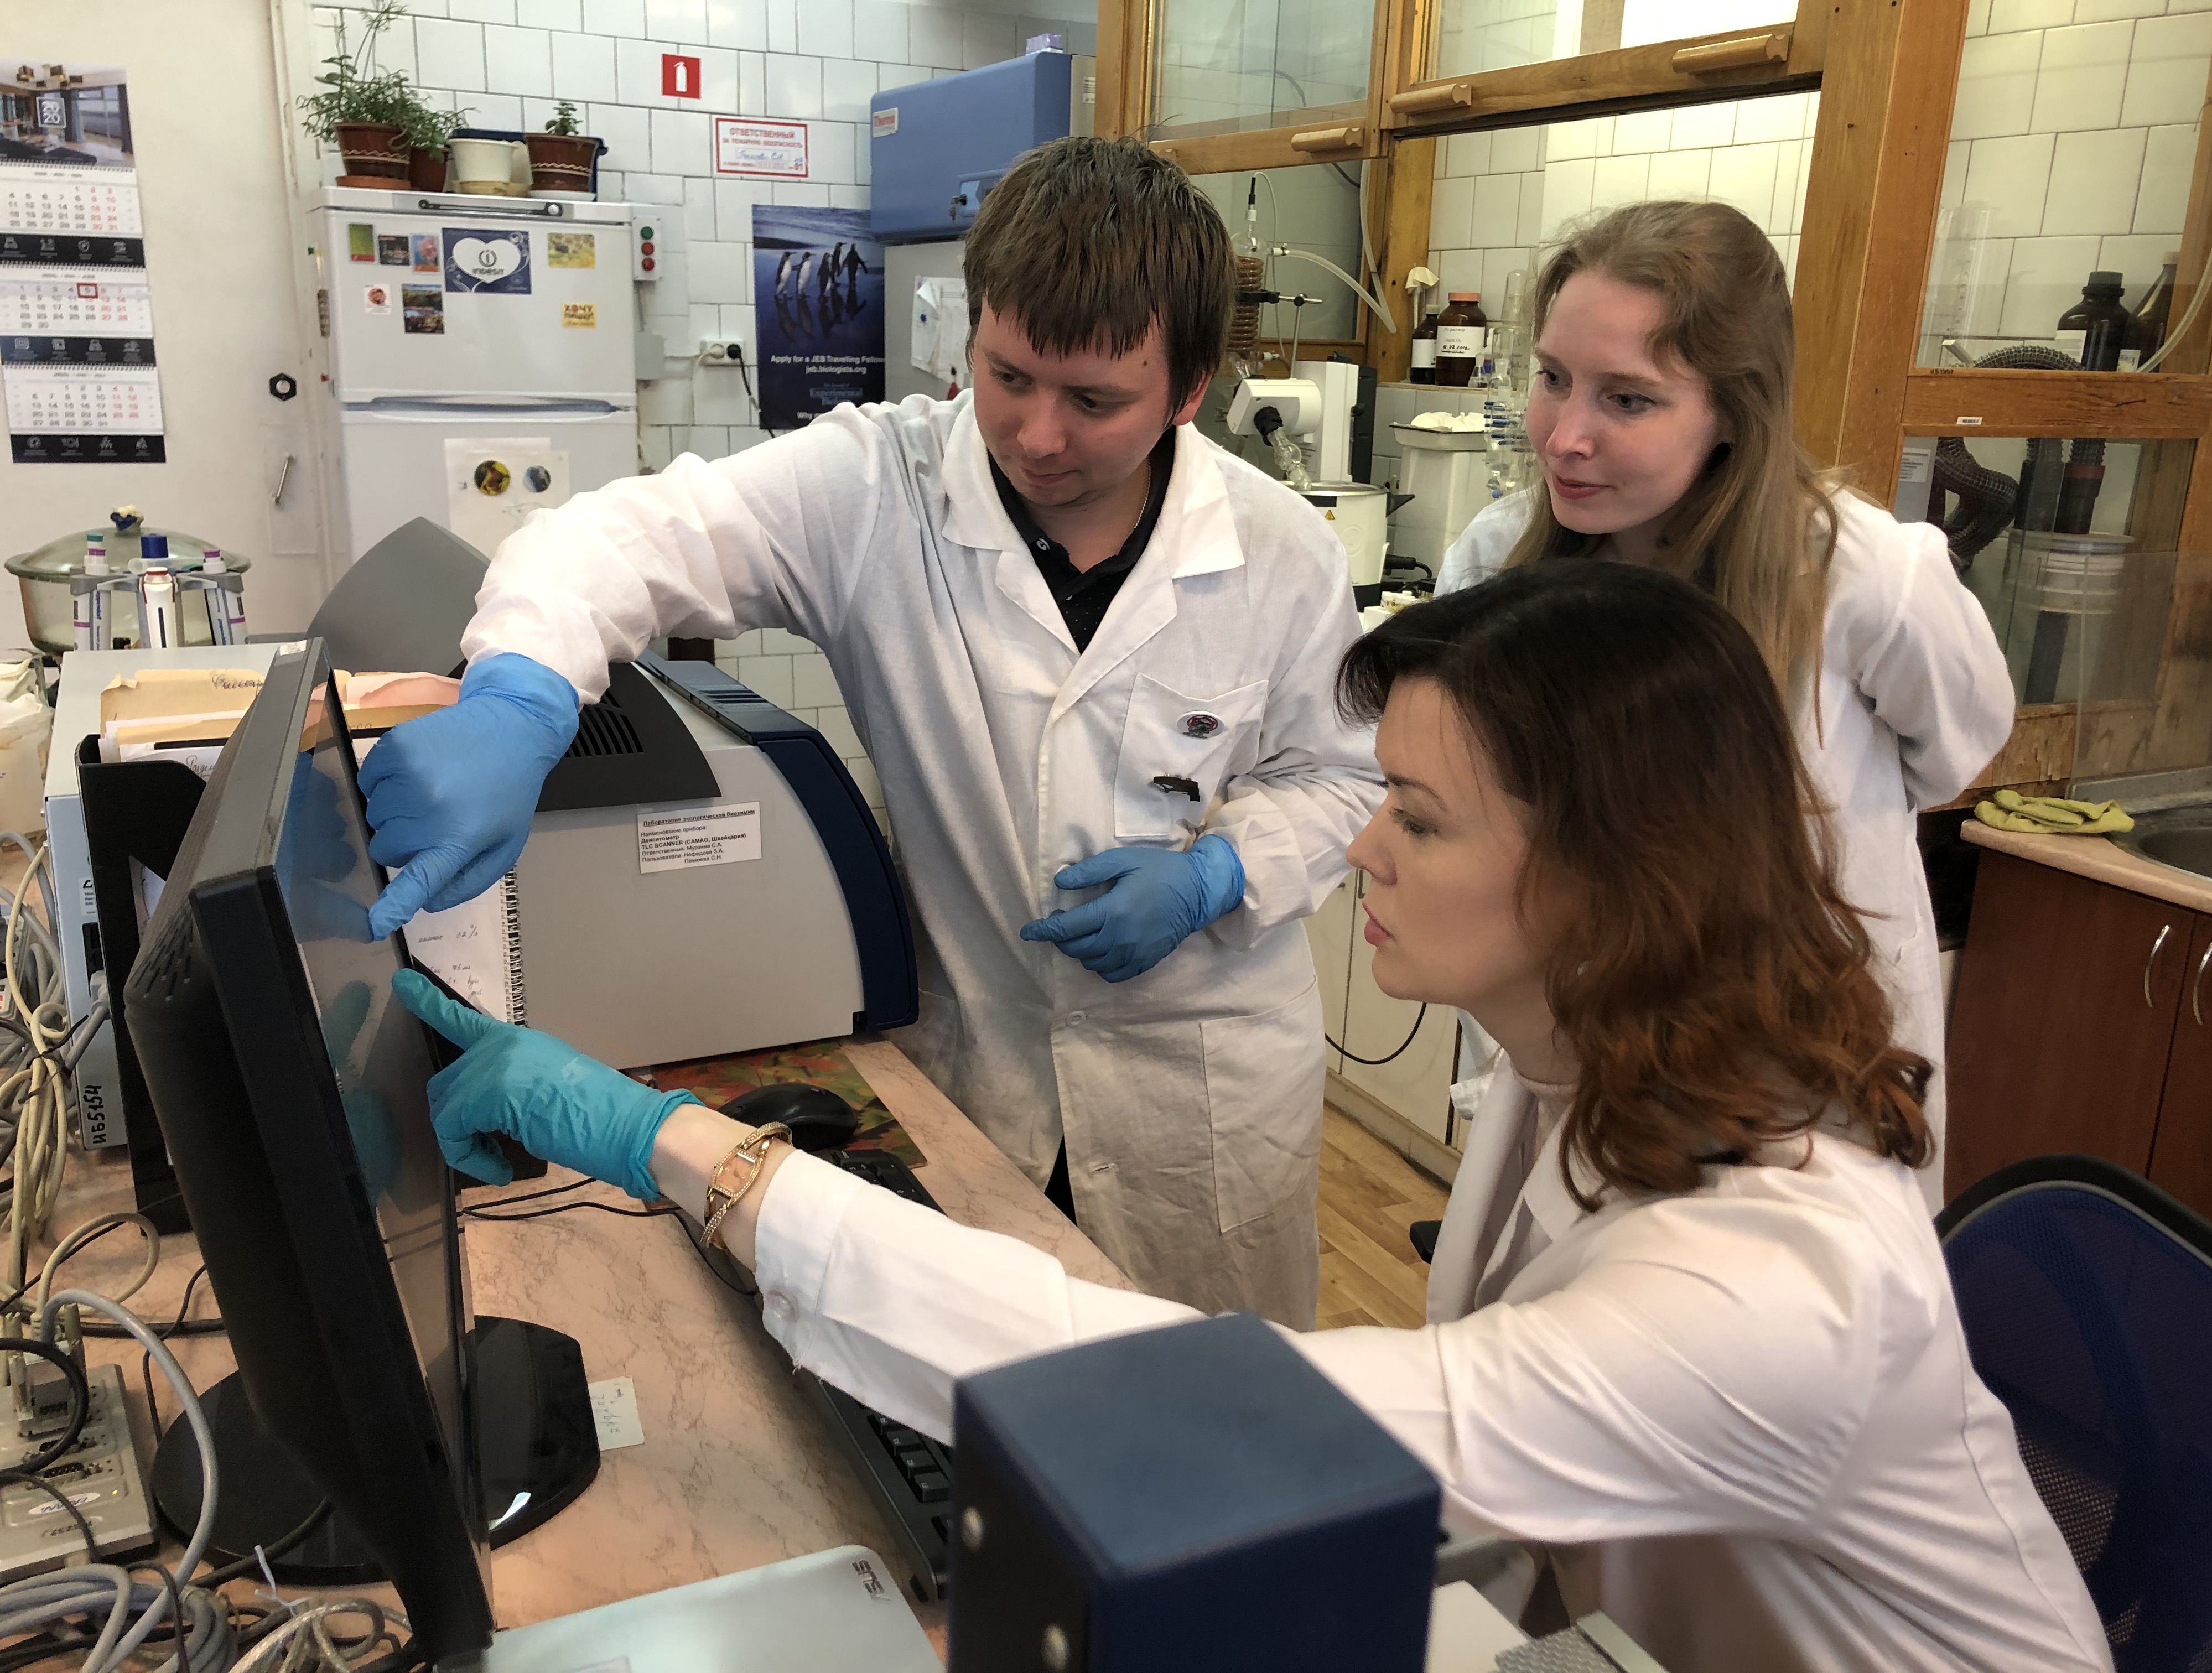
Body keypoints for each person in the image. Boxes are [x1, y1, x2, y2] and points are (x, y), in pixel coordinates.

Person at [392, 563, 2110, 1673]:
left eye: (1417, 817)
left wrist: (683, 1151)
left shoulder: (1775, 1289)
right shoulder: (1584, 1077)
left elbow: (1229, 1425)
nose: (1361, 847)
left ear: (1609, 878)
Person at [357, 136, 1380, 1327]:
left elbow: (1342, 777)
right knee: (980, 1376)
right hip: (983, 1063)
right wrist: (520, 694)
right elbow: (618, 540)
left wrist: (1220, 873)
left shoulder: (1283, 554)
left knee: (1217, 1392)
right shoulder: (876, 487)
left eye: (1095, 402)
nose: (1037, 435)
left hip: (1201, 1092)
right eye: (1007, 376)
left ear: (1190, 390)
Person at [1436, 201, 2013, 1207]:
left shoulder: (1867, 577)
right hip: (1581, 1043)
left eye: (1628, 399)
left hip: (1796, 1075)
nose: (1565, 437)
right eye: (1553, 378)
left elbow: (1955, 752)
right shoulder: (1500, 565)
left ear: (1737, 412)